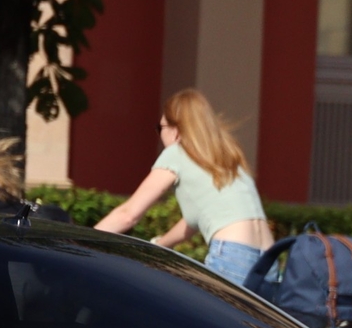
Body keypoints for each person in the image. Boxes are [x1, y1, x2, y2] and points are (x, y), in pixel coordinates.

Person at [94, 88, 274, 282]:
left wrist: (82, 241)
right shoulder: (227, 155)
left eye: (160, 127)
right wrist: (160, 245)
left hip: (234, 254)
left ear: (176, 131)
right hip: (269, 258)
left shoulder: (177, 152)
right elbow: (192, 221)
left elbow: (128, 215)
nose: (160, 135)